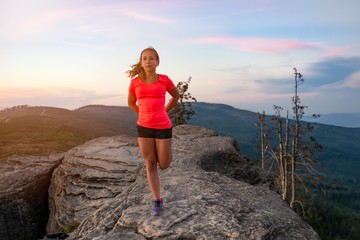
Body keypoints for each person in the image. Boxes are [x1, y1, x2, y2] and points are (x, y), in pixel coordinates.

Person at [127, 47, 180, 216]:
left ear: (157, 62)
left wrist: (165, 109)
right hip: (144, 128)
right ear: (141, 63)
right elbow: (131, 103)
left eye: (151, 58)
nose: (148, 61)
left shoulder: (164, 80)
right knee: (150, 164)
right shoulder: (135, 82)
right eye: (144, 58)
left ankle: (167, 152)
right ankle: (157, 200)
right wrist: (143, 113)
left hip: (163, 126)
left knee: (163, 164)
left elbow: (176, 96)